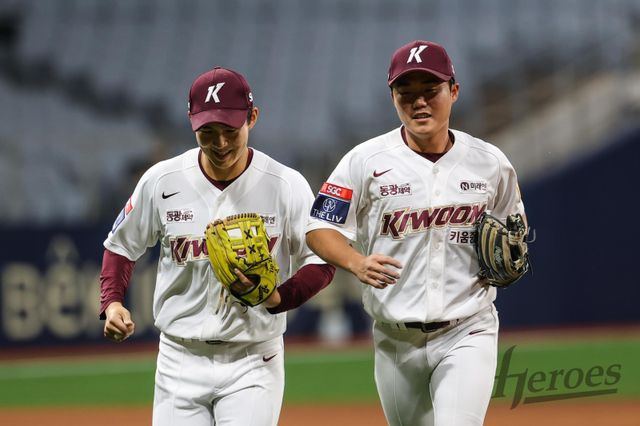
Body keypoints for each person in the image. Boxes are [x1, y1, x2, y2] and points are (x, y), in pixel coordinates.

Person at [306, 40, 527, 426]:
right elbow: (319, 227)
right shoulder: (364, 161)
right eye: (406, 93)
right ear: (392, 97)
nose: (419, 102)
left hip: (467, 328)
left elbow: (514, 231)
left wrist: (512, 252)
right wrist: (355, 262)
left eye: (431, 90)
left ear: (453, 92)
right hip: (395, 338)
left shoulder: (490, 163)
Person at [99, 66, 335, 426]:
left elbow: (322, 259)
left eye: (230, 130)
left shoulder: (286, 184)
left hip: (253, 359)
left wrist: (280, 298)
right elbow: (120, 245)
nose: (220, 143)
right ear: (191, 122)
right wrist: (112, 302)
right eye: (207, 132)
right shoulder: (162, 180)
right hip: (178, 358)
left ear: (252, 118)